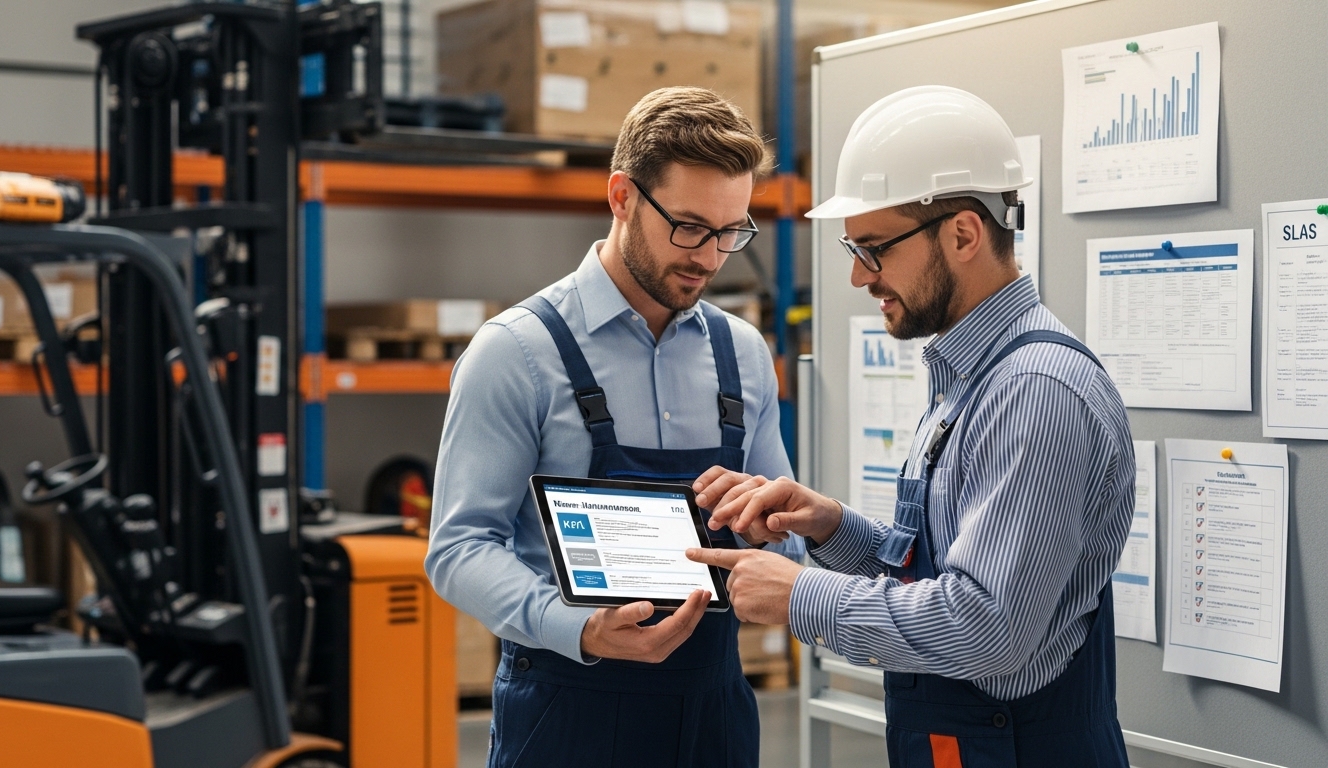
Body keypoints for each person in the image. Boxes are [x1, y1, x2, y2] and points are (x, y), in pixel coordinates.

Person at [686, 86, 1135, 767]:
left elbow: (989, 627)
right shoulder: (972, 374)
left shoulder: (1034, 391)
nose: (858, 277)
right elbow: (936, 571)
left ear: (962, 234)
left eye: (874, 248)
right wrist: (831, 528)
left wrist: (803, 595)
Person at [425, 86, 804, 768]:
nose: (709, 258)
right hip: (569, 710)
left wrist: (768, 531)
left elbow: (787, 540)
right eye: (688, 227)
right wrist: (582, 629)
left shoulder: (742, 353)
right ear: (623, 197)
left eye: (730, 232)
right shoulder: (515, 352)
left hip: (712, 712)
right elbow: (457, 549)